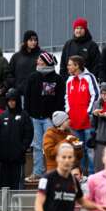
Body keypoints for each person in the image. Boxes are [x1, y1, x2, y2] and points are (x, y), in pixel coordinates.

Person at [25, 52, 65, 181]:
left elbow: (60, 100)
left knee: (51, 145)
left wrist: (55, 118)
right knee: (37, 146)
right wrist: (28, 114)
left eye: (41, 60)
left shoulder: (57, 79)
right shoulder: (32, 77)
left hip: (50, 119)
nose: (38, 61)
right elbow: (27, 97)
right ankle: (37, 172)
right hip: (35, 118)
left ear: (47, 62)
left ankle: (52, 172)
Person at [65, 55, 99, 173]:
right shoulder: (69, 80)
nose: (67, 67)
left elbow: (96, 95)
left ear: (77, 65)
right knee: (78, 150)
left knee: (90, 150)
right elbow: (66, 97)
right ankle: (82, 175)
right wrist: (68, 111)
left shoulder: (89, 77)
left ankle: (92, 175)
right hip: (74, 121)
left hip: (87, 121)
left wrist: (88, 112)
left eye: (70, 64)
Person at [0, 89, 34, 189]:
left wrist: (22, 148)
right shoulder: (2, 116)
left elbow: (29, 134)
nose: (11, 102)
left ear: (17, 100)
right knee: (4, 185)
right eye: (9, 100)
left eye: (13, 100)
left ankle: (17, 201)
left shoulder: (24, 115)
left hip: (18, 159)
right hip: (4, 159)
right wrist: (1, 150)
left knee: (17, 186)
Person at [8, 31, 41, 95]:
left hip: (37, 93)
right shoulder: (16, 56)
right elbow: (9, 73)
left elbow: (48, 71)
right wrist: (16, 84)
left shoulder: (42, 55)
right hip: (20, 92)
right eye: (31, 40)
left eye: (35, 40)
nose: (33, 42)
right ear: (25, 41)